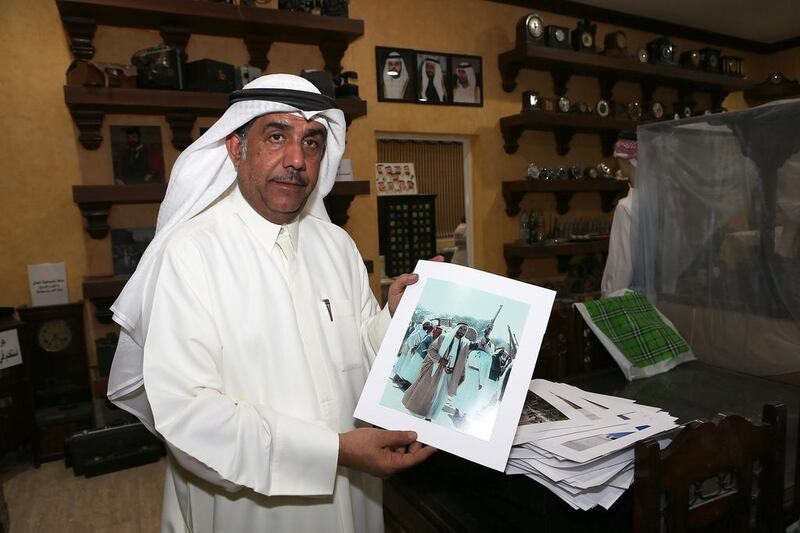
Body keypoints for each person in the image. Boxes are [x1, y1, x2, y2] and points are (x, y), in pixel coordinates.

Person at [106, 74, 436, 533]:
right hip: (250, 511)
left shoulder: (337, 245)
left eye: (313, 142)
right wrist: (335, 451)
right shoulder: (191, 253)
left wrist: (392, 322)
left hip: (353, 492)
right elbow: (188, 417)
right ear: (236, 148)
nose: (297, 159)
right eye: (276, 136)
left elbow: (355, 354)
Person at [402, 323, 470, 420]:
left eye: (464, 330)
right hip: (435, 369)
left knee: (440, 396)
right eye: (461, 329)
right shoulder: (443, 337)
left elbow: (463, 361)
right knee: (427, 392)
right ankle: (418, 412)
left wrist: (461, 376)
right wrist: (439, 360)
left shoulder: (463, 345)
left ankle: (430, 416)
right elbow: (431, 349)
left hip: (449, 374)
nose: (462, 331)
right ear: (456, 328)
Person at [601, 131, 638, 297]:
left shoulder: (627, 207)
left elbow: (621, 267)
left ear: (625, 159)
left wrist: (607, 298)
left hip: (632, 298)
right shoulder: (666, 202)